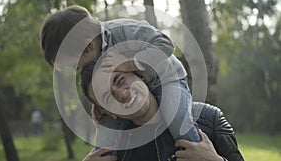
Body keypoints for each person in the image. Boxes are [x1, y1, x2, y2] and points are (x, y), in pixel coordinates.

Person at [40, 5, 200, 144]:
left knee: (178, 123)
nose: (76, 69)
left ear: (89, 47)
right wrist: (99, 102)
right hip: (126, 91)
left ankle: (199, 153)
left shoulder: (124, 30)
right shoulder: (89, 54)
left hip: (166, 79)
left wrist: (128, 63)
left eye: (74, 65)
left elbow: (165, 44)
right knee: (106, 132)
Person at [80, 62, 244, 161]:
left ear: (141, 76)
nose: (122, 94)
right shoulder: (114, 153)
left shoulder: (208, 118)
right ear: (109, 112)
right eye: (108, 98)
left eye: (120, 80)